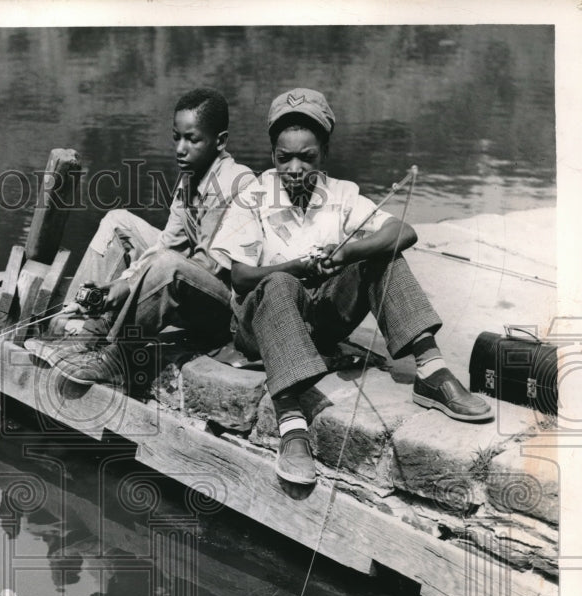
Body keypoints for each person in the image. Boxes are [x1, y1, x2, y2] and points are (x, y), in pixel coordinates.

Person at [208, 88, 492, 486]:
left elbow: (403, 231)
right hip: (261, 324)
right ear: (272, 154)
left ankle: (432, 371)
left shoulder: (341, 194)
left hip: (320, 323)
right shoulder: (252, 197)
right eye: (283, 157)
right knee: (278, 281)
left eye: (306, 157)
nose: (294, 169)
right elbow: (239, 277)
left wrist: (345, 255)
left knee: (382, 253)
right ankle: (291, 424)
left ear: (323, 152)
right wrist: (296, 268)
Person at [38, 88, 257, 386]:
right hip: (190, 281)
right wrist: (117, 285)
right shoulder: (191, 174)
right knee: (119, 222)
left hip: (224, 310)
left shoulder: (236, 183)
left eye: (192, 139)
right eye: (176, 137)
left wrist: (128, 287)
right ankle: (79, 321)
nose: (180, 148)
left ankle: (116, 355)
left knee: (168, 265)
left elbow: (207, 267)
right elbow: (169, 241)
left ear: (220, 141)